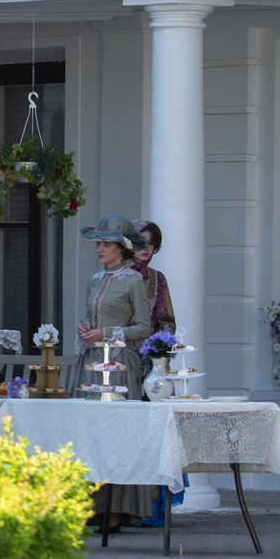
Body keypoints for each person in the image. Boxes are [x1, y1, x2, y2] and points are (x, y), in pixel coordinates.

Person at [75, 214, 154, 532]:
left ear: (121, 249)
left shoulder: (134, 281)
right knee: (89, 435)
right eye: (99, 244)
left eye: (106, 244)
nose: (100, 249)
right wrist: (85, 329)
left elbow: (144, 328)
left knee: (118, 435)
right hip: (91, 364)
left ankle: (119, 508)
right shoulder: (94, 280)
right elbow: (90, 318)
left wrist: (105, 333)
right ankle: (92, 504)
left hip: (120, 366)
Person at [132, 220, 177, 339]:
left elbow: (167, 322)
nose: (146, 248)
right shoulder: (116, 274)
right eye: (141, 242)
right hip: (115, 349)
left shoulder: (157, 278)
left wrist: (159, 351)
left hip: (148, 352)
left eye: (151, 243)